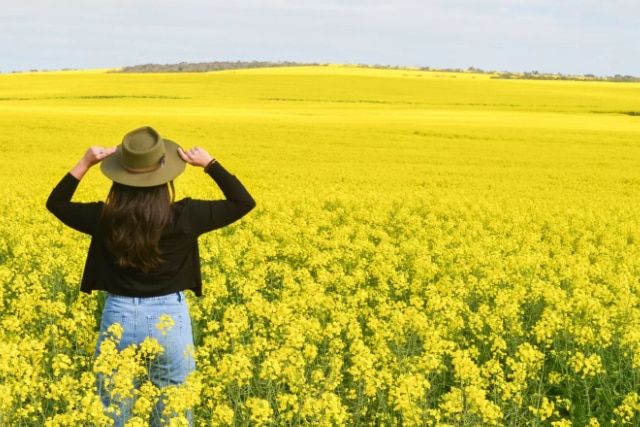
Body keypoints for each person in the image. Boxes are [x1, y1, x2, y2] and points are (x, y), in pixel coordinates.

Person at [46, 126, 256, 426]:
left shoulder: (105, 218)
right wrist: (210, 164)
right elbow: (242, 202)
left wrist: (85, 163)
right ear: (166, 175)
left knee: (111, 409)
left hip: (118, 316)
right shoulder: (185, 215)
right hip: (170, 319)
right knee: (173, 406)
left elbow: (56, 204)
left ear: (119, 177)